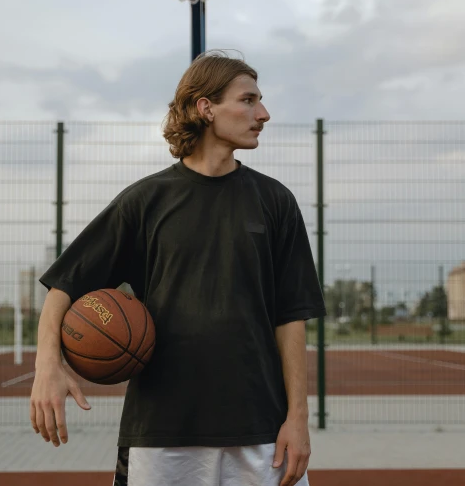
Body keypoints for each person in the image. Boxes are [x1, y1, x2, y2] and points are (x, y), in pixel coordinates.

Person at [30, 50, 326, 486]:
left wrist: (297, 419)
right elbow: (65, 285)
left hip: (262, 429)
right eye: (248, 100)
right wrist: (46, 367)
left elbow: (291, 319)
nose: (263, 113)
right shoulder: (146, 201)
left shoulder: (275, 201)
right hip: (161, 432)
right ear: (206, 108)